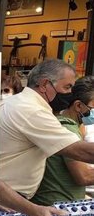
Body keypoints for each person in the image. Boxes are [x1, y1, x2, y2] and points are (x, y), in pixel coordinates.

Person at [0, 59, 94, 204]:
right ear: (44, 85)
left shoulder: (16, 102)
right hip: (5, 198)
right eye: (67, 87)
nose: (70, 94)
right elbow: (81, 152)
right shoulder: (32, 111)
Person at [30, 76, 94, 206]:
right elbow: (83, 176)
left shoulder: (62, 122)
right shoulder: (67, 129)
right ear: (78, 106)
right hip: (57, 208)